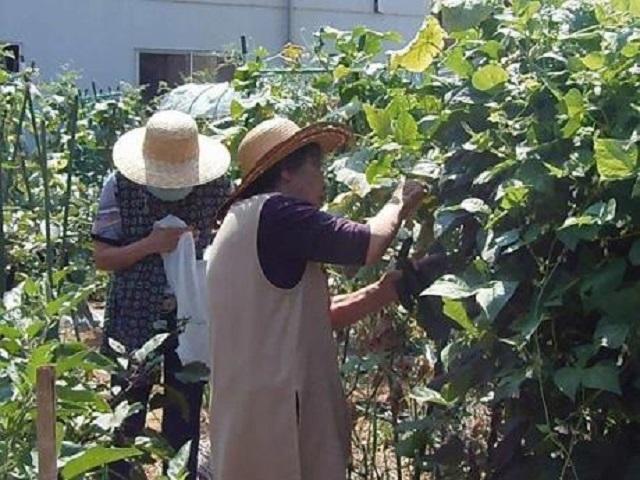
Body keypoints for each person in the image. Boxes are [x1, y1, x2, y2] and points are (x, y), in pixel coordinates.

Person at [205, 117, 431, 480]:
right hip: (281, 410)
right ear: (286, 173)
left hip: (247, 411)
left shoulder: (241, 222)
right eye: (316, 166)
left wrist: (389, 288)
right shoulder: (277, 212)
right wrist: (400, 200)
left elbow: (316, 317)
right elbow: (369, 243)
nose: (323, 180)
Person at [91, 110, 231, 479]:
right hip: (135, 316)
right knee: (127, 410)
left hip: (193, 316)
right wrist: (151, 244)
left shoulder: (217, 188)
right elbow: (102, 257)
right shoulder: (119, 187)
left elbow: (229, 250)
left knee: (184, 415)